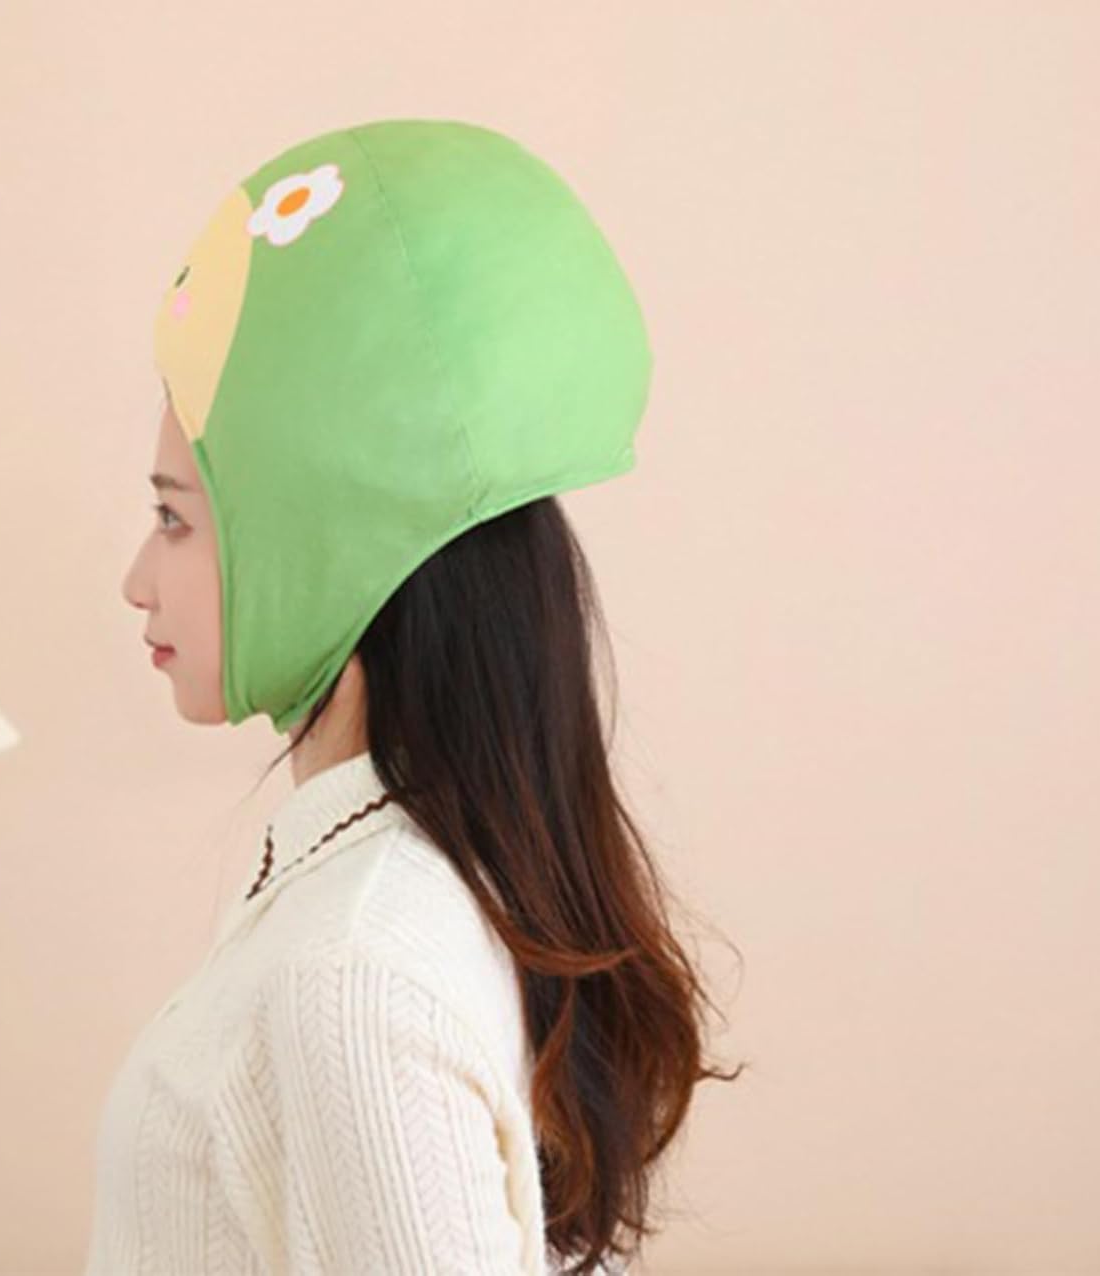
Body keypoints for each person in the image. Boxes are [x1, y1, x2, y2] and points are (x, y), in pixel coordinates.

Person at [89, 117, 743, 1275]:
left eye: (175, 518)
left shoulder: (351, 972)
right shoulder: (381, 897)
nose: (138, 579)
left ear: (327, 543)